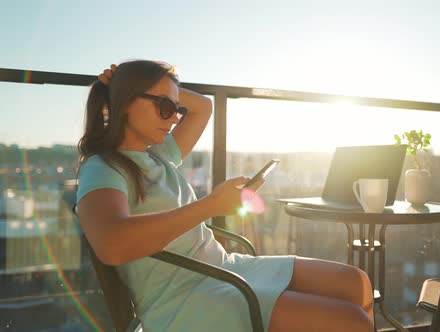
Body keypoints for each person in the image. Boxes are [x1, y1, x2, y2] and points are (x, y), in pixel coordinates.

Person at [76, 59, 374, 331]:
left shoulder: (158, 156)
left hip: (223, 266)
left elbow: (203, 106)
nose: (175, 117)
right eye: (164, 107)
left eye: (176, 108)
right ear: (126, 103)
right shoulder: (103, 167)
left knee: (355, 282)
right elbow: (111, 245)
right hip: (185, 298)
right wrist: (211, 206)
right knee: (352, 322)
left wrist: (133, 86)